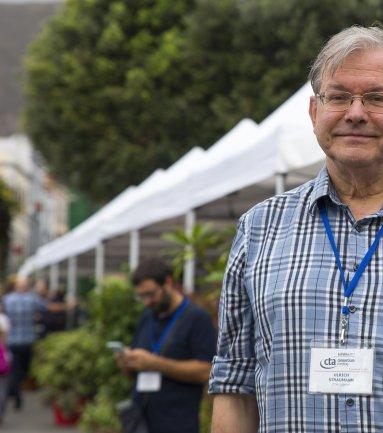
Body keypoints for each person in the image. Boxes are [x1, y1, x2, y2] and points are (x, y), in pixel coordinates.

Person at [209, 25, 383, 433]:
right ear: (314, 113)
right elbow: (235, 383)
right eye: (338, 97)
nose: (355, 113)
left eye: (376, 98)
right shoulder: (259, 229)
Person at [117, 257, 216, 433]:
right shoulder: (148, 316)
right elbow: (134, 373)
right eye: (141, 296)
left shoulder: (196, 318)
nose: (147, 301)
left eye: (150, 294)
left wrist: (154, 363)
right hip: (141, 419)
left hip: (177, 422)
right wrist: (128, 363)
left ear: (168, 283)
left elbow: (206, 371)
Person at [3, 277, 71, 409]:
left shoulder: (8, 299)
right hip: (28, 340)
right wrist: (66, 306)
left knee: (15, 368)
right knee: (24, 369)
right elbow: (48, 307)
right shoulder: (31, 299)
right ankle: (16, 389)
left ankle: (15, 391)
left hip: (12, 340)